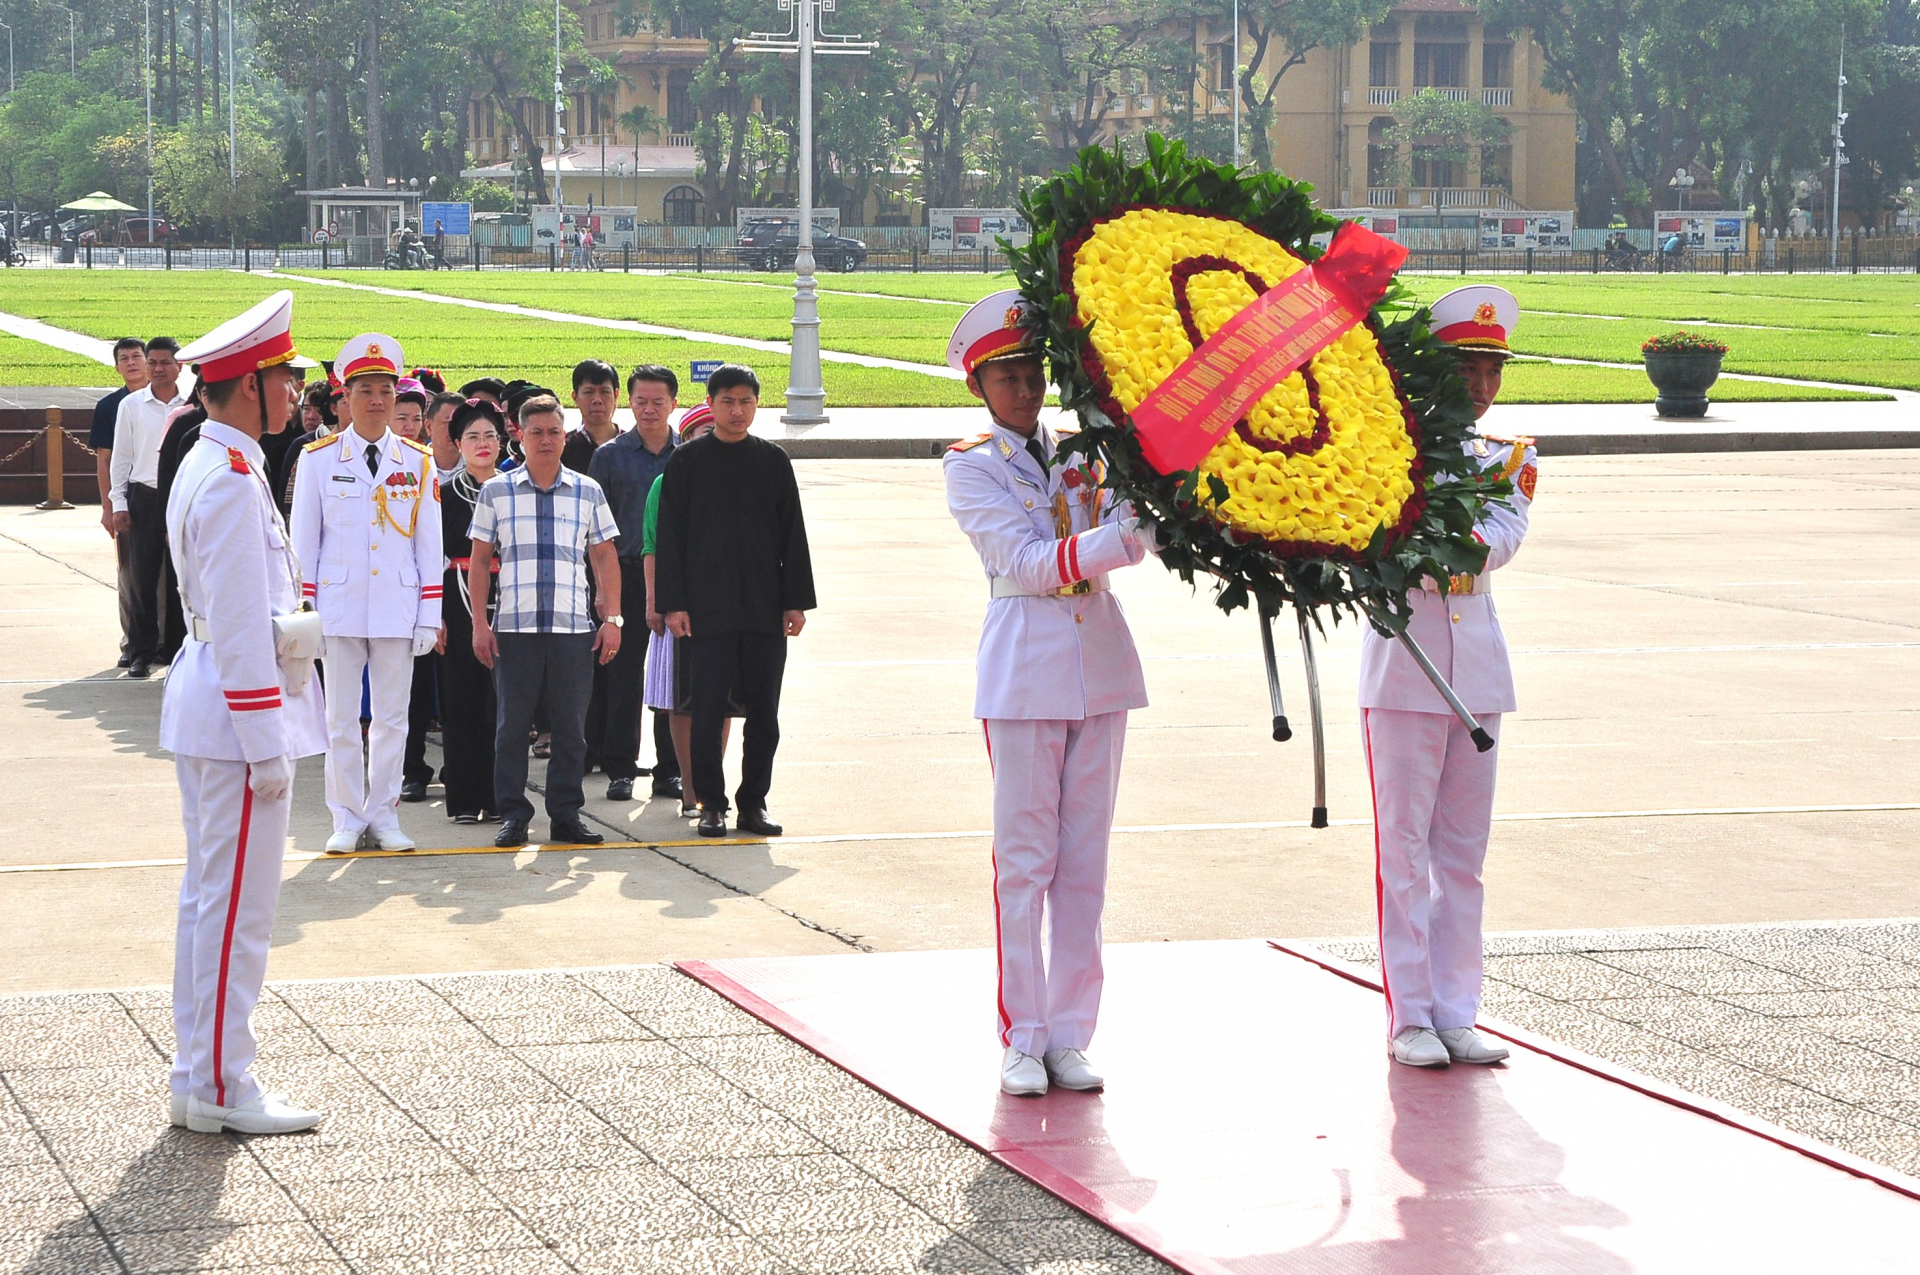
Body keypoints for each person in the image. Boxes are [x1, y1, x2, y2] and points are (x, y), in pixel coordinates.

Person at [942, 291, 1156, 1099]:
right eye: (1009, 376)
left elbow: (1135, 524)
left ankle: (1071, 1033)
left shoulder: (1085, 449)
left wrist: (1150, 505)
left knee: (1085, 864)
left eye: (1034, 372)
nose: (1026, 388)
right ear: (980, 387)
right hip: (1026, 666)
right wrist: (1127, 536)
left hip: (1098, 664)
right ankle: (1023, 1034)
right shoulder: (970, 464)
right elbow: (1029, 562)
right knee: (1024, 863)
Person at [1359, 284, 1536, 1070]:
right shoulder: (1387, 451)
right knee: (1403, 851)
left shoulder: (1511, 458)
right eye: (1467, 366)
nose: (1480, 384)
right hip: (1404, 666)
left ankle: (1458, 1009)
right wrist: (1428, 536)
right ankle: (1411, 1015)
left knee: (1462, 855)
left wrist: (1432, 536)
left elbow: (1495, 542)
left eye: (1491, 369)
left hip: (1478, 670)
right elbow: (1378, 536)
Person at [163, 289, 327, 1135]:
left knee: (210, 902)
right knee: (237, 912)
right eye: (285, 378)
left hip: (214, 707)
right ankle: (225, 1082)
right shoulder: (228, 479)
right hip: (235, 717)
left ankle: (200, 1074)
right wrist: (268, 745)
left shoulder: (217, 461)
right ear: (246, 384)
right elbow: (237, 626)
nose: (296, 393)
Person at [290, 334, 443, 854]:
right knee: (339, 721)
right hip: (338, 606)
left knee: (392, 720)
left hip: (397, 608)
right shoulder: (318, 458)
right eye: (365, 390)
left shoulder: (418, 461)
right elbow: (304, 542)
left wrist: (429, 615)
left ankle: (384, 815)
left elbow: (429, 545)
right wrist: (305, 611)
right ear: (345, 397)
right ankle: (346, 817)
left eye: (385, 390)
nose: (377, 400)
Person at [655, 365, 815, 840]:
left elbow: (792, 535)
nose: (737, 410)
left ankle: (753, 804)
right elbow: (670, 539)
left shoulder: (772, 460)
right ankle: (711, 804)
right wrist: (673, 604)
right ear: (711, 403)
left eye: (746, 401)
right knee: (707, 710)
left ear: (756, 405)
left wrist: (795, 603)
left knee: (765, 713)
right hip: (706, 610)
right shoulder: (687, 463)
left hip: (764, 609)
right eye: (727, 401)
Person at [467, 395, 623, 849]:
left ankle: (566, 814)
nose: (546, 440)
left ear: (563, 434)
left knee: (571, 729)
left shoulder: (587, 490)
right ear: (520, 434)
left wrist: (612, 617)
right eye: (536, 432)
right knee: (512, 728)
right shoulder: (496, 491)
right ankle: (513, 814)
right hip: (514, 629)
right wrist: (480, 623)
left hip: (573, 629)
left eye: (554, 431)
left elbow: (605, 556)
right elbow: (479, 563)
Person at [590, 365, 683, 803]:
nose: (649, 409)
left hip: (675, 577)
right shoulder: (609, 456)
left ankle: (670, 770)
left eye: (658, 401)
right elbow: (591, 531)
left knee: (672, 675)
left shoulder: (688, 456)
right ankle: (620, 768)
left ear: (673, 404)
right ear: (629, 402)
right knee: (624, 677)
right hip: (623, 574)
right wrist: (602, 590)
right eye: (641, 401)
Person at [642, 404, 723, 818]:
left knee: (724, 700)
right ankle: (691, 790)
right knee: (681, 699)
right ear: (684, 440)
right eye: (699, 432)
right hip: (680, 607)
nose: (708, 437)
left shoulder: (737, 479)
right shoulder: (667, 482)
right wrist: (657, 603)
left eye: (715, 429)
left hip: (725, 608)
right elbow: (652, 547)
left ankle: (715, 789)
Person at [435, 401, 508, 823]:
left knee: (502, 706)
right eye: (472, 437)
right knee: (461, 702)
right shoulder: (441, 496)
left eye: (490, 436)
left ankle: (499, 797)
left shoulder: (516, 488)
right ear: (457, 443)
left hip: (509, 603)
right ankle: (463, 799)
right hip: (457, 604)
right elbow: (429, 557)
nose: (482, 445)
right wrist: (435, 616)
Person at [108, 337, 188, 678]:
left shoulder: (191, 406)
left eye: (165, 362)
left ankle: (174, 650)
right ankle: (140, 651)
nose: (157, 369)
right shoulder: (132, 405)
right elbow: (121, 457)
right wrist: (118, 502)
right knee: (142, 578)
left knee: (179, 579)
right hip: (145, 498)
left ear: (179, 366)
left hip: (181, 498)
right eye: (152, 362)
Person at [566, 359, 627, 783]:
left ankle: (617, 750)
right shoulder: (564, 447)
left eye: (605, 392)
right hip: (576, 568)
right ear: (575, 398)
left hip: (622, 565)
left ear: (616, 397)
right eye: (588, 392)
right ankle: (584, 747)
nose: (597, 400)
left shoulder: (631, 446)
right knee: (583, 663)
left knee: (621, 665)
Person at [392, 378, 439, 803]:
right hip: (400, 597)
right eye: (400, 417)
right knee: (410, 694)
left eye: (416, 418)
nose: (409, 425)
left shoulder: (431, 466)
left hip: (441, 592)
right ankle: (411, 770)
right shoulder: (386, 467)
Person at [91, 337, 149, 669]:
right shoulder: (110, 406)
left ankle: (158, 642)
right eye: (124, 358)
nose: (131, 363)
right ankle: (131, 641)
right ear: (116, 366)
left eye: (136, 357)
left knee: (163, 575)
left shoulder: (176, 401)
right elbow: (105, 460)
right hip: (126, 500)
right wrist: (108, 506)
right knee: (129, 575)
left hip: (159, 499)